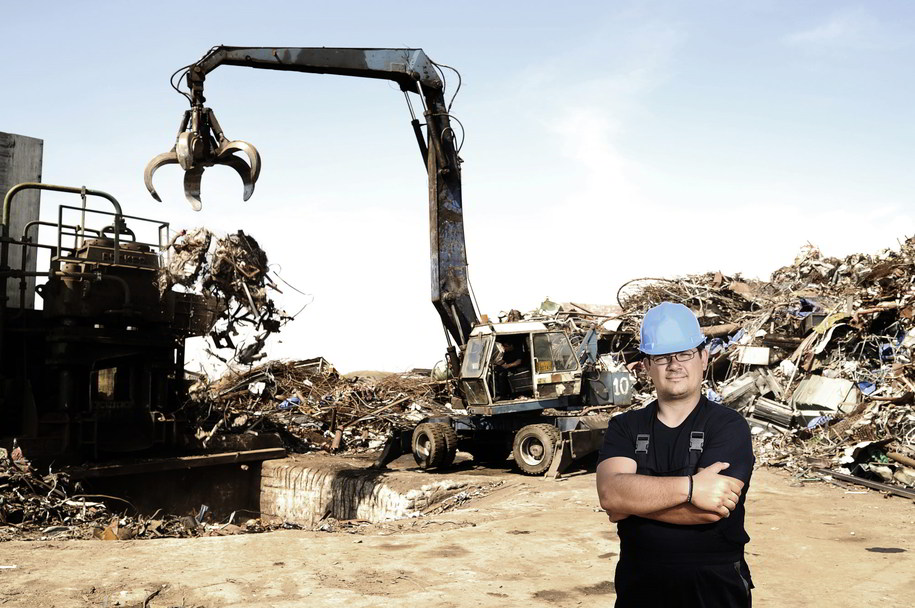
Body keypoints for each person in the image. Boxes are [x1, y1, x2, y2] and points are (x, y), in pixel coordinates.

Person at [596, 302, 754, 607]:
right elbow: (610, 495)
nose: (674, 365)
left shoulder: (728, 425)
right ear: (646, 366)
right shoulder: (625, 426)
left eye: (684, 354)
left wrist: (632, 502)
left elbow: (713, 509)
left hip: (715, 585)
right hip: (640, 585)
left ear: (703, 358)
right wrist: (692, 488)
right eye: (662, 357)